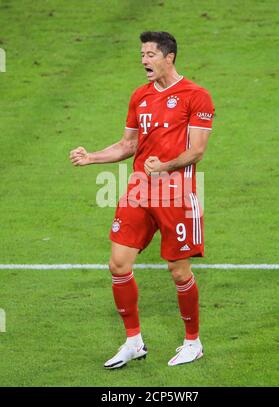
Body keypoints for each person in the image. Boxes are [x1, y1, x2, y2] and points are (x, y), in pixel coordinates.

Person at [70, 31, 214, 368]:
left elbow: (197, 151)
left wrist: (164, 166)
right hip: (138, 191)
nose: (144, 60)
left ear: (169, 57)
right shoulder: (140, 97)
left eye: (150, 54)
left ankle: (193, 342)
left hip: (176, 194)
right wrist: (92, 157)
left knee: (179, 272)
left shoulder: (197, 96)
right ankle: (134, 341)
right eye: (142, 54)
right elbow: (127, 144)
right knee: (118, 264)